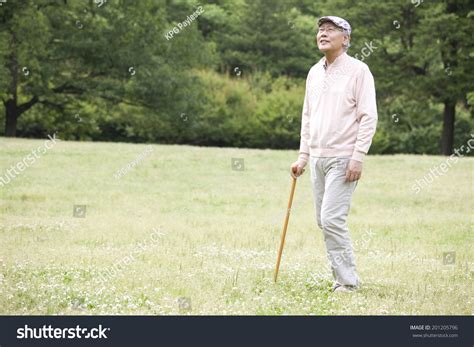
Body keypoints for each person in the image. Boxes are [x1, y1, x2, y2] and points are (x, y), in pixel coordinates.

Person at [290, 16, 378, 293]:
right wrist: (303, 156)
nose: (323, 34)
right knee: (323, 221)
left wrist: (358, 156)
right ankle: (341, 276)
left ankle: (347, 282)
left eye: (331, 30)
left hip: (344, 158)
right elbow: (307, 116)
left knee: (331, 219)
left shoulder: (359, 71)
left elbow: (368, 117)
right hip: (316, 158)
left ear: (346, 39)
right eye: (320, 30)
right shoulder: (314, 72)